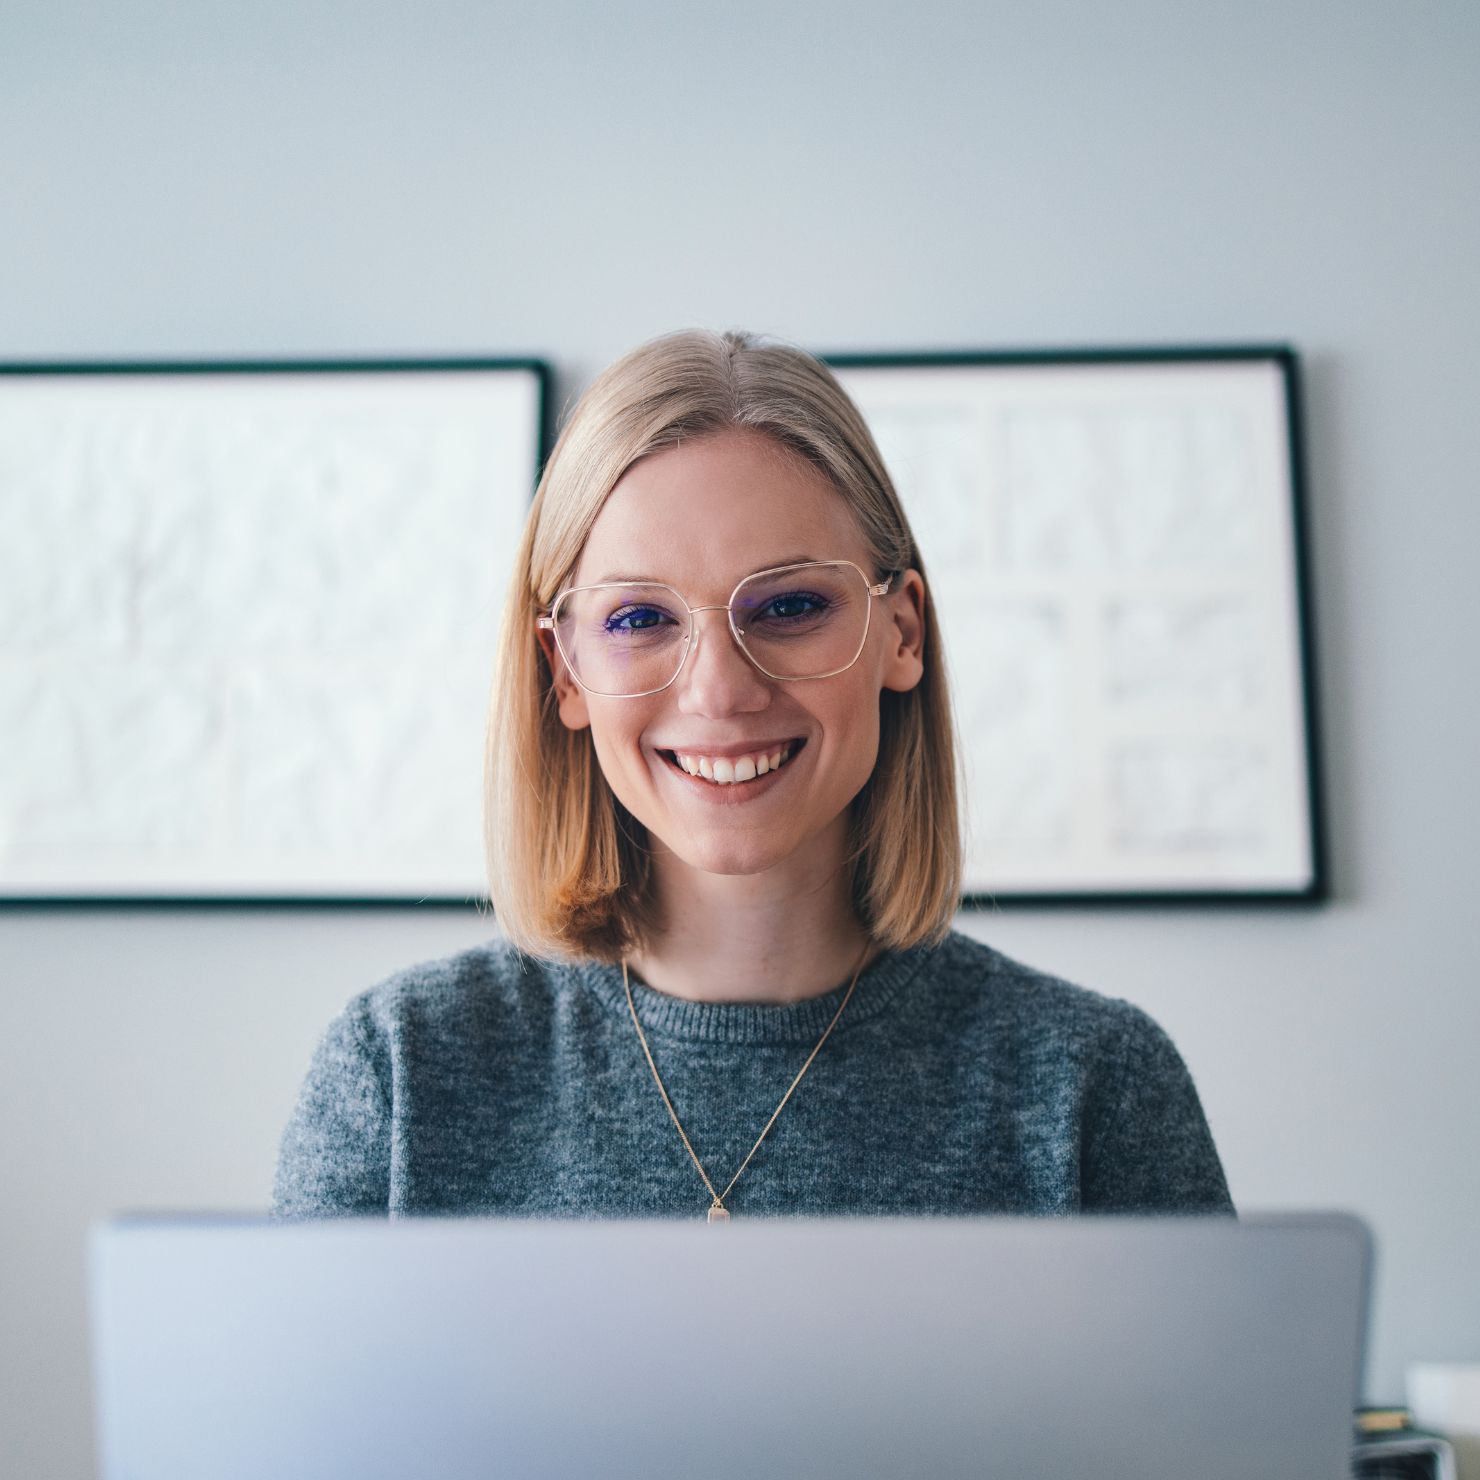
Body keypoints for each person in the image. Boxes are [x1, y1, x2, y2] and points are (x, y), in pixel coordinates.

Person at [273, 329, 1233, 1222]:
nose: (722, 692)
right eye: (640, 619)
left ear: (901, 634)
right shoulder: (400, 1074)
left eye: (791, 605)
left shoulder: (1093, 1088)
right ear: (565, 671)